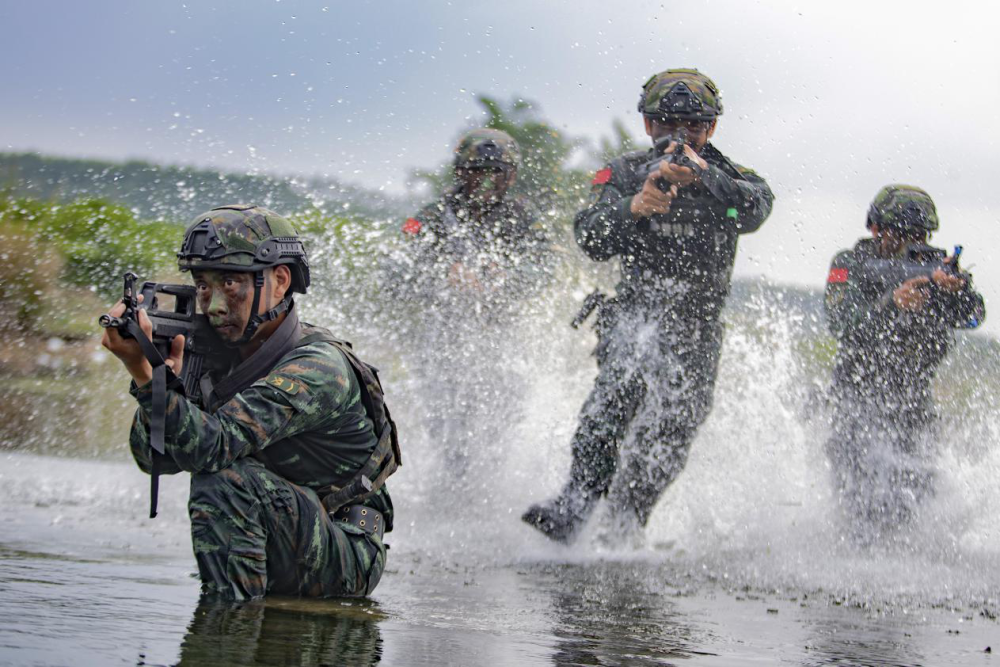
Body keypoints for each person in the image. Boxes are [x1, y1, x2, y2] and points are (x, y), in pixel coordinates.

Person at [522, 68, 774, 542]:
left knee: (676, 427)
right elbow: (590, 237)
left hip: (697, 327)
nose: (680, 135)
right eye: (666, 123)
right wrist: (633, 208)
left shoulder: (733, 179)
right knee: (609, 406)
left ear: (711, 129)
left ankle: (627, 521)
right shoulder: (622, 173)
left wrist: (704, 176)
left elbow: (755, 209)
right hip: (635, 316)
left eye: (694, 126)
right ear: (647, 125)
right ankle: (574, 506)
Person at [101, 204, 398, 600]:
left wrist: (143, 374)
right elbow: (155, 458)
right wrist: (161, 379)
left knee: (222, 481)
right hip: (292, 530)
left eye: (231, 283)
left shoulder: (318, 368)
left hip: (346, 551)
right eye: (203, 285)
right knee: (223, 478)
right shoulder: (225, 352)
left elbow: (211, 447)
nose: (214, 305)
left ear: (278, 281)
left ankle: (228, 630)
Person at [823, 185, 985, 540]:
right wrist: (890, 304)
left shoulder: (937, 271)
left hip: (913, 405)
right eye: (899, 234)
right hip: (856, 398)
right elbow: (839, 322)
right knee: (857, 504)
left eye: (918, 236)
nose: (909, 243)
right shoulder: (850, 264)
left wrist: (952, 292)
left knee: (912, 502)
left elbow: (974, 316)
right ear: (876, 228)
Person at [394, 129, 548, 475]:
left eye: (498, 172)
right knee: (448, 425)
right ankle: (453, 486)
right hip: (445, 337)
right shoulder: (433, 215)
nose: (488, 180)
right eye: (480, 170)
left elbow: (548, 265)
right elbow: (395, 269)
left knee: (503, 416)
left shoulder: (522, 216)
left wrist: (510, 274)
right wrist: (443, 273)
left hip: (502, 335)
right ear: (462, 172)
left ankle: (492, 482)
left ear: (512, 175)